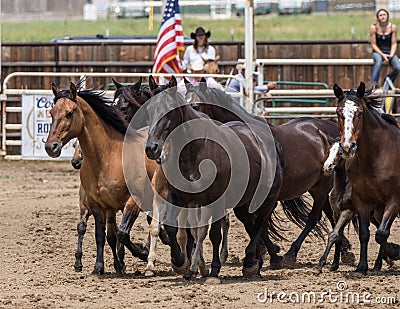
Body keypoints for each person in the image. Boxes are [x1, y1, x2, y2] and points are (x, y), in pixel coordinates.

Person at [370, 9, 400, 86]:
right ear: (378, 17)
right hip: (377, 52)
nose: (383, 17)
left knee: (398, 67)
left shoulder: (393, 27)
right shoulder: (374, 27)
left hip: (390, 51)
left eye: (384, 15)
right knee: (379, 61)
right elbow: (373, 44)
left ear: (387, 16)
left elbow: (394, 43)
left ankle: (388, 80)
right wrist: (383, 55)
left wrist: (392, 54)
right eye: (380, 15)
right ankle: (373, 84)